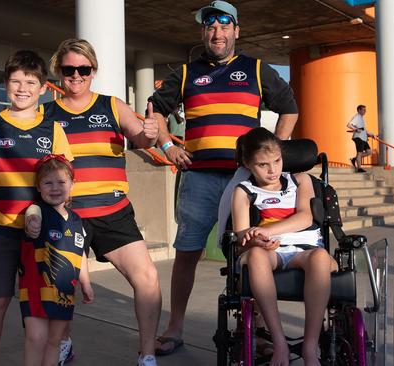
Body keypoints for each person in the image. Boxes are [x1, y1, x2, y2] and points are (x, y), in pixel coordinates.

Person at [148, 0, 298, 355]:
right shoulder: (185, 73)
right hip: (198, 177)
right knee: (187, 253)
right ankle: (175, 327)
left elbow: (289, 107)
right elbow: (154, 110)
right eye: (210, 26)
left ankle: (259, 329)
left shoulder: (257, 69)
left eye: (224, 25)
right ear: (204, 32)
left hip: (245, 181)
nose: (217, 32)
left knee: (252, 249)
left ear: (236, 31)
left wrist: (273, 151)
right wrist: (168, 145)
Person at [43, 38, 161, 366]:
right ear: (59, 71)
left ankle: (147, 354)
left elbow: (141, 137)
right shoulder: (46, 112)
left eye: (84, 69)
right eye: (69, 69)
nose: (76, 75)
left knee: (147, 278)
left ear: (93, 70)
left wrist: (150, 133)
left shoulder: (112, 105)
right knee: (59, 287)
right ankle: (62, 343)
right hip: (66, 215)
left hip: (113, 212)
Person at [0, 50, 73, 366]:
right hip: (0, 228)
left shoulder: (53, 128)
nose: (22, 87)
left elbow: (65, 182)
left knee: (41, 307)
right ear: (6, 85)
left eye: (30, 81)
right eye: (15, 81)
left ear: (43, 88)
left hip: (43, 235)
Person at [231, 127, 337, 366]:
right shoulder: (243, 191)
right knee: (256, 255)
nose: (272, 170)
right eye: (262, 165)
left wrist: (267, 230)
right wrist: (256, 239)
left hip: (304, 249)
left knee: (321, 257)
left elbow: (305, 218)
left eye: (277, 161)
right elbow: (241, 234)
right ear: (248, 164)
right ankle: (278, 342)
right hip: (270, 253)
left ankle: (310, 347)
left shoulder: (300, 179)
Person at [20, 154, 94, 366]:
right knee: (36, 338)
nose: (54, 188)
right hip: (35, 289)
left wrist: (86, 282)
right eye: (48, 183)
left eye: (61, 182)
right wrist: (32, 222)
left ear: (72, 184)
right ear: (38, 187)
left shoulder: (77, 220)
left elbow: (80, 254)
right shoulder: (36, 210)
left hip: (64, 293)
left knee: (54, 341)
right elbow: (31, 216)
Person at [347, 104, 374, 173]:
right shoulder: (357, 117)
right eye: (363, 110)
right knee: (359, 153)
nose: (365, 111)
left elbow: (364, 130)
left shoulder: (362, 118)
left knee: (369, 152)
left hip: (363, 138)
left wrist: (372, 135)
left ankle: (354, 159)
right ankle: (359, 168)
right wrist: (356, 129)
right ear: (359, 110)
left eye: (365, 110)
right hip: (358, 137)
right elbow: (349, 125)